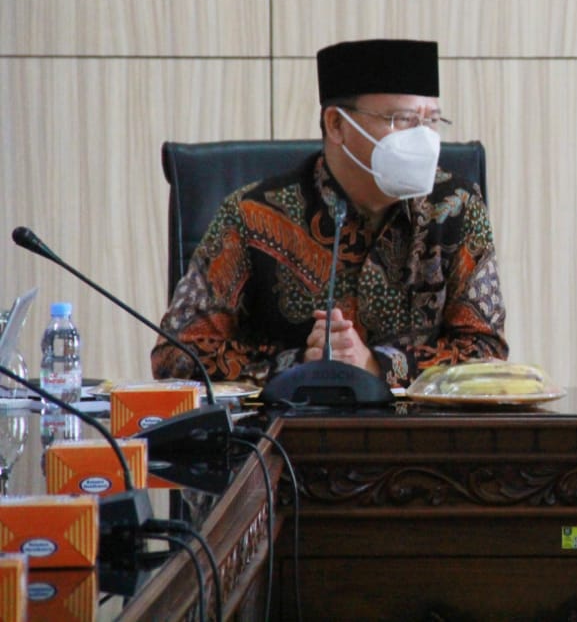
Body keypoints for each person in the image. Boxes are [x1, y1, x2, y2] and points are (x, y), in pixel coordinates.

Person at [153, 39, 507, 388]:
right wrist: (299, 365)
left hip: (416, 426)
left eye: (431, 121)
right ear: (337, 124)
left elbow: (486, 353)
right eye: (402, 120)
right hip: (287, 423)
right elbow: (175, 355)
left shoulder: (457, 207)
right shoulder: (251, 215)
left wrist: (377, 365)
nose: (423, 139)